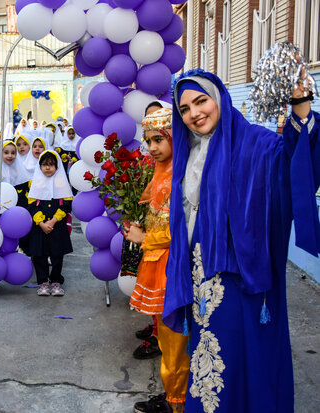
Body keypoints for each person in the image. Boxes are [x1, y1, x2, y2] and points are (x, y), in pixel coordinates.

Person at [164, 69, 319, 412]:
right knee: (208, 354)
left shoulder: (255, 143)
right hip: (200, 272)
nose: (194, 114)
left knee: (245, 353)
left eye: (201, 101)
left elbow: (293, 165)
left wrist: (301, 106)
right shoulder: (188, 153)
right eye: (185, 109)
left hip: (242, 276)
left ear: (219, 98)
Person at [123, 108, 189, 413]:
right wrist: (141, 230)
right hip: (158, 262)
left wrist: (144, 238)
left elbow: (184, 228)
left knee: (176, 338)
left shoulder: (183, 176)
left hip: (173, 267)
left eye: (159, 139)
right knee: (167, 336)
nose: (152, 147)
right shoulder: (163, 171)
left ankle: (177, 403)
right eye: (148, 140)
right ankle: (173, 396)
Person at [27, 150, 73, 296]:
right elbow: (32, 206)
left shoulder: (62, 184)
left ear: (57, 167)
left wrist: (52, 221)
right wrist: (41, 223)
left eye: (51, 165)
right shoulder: (36, 184)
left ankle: (56, 281)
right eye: (45, 165)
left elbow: (66, 205)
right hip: (39, 227)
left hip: (57, 226)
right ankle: (43, 282)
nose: (48, 168)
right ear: (39, 166)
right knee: (39, 255)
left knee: (57, 255)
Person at [0, 141, 32, 209]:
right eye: (6, 153)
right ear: (0, 153)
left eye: (13, 153)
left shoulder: (19, 170)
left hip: (17, 209)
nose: (10, 156)